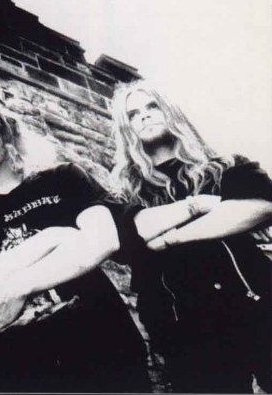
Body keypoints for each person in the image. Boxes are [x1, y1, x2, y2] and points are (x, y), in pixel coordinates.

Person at [0, 94, 150, 393]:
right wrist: (53, 237)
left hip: (108, 347)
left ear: (4, 128)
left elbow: (103, 240)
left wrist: (18, 286)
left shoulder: (63, 178)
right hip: (30, 368)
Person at [110, 81, 272, 393]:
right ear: (125, 127)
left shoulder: (226, 166)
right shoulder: (124, 195)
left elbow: (261, 206)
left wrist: (169, 238)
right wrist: (201, 208)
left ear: (170, 111)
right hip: (184, 324)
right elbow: (128, 239)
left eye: (152, 106)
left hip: (256, 297)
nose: (144, 116)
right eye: (133, 114)